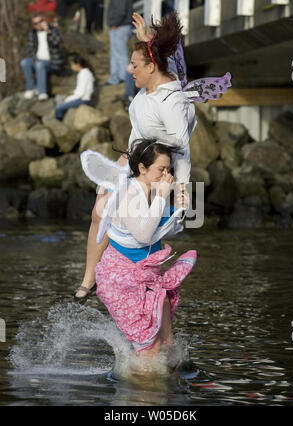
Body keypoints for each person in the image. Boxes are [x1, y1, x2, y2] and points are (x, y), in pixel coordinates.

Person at [74, 11, 231, 302]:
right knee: (100, 214)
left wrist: (144, 164)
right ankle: (91, 277)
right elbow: (165, 58)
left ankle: (148, 296)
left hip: (156, 171)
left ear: (150, 67)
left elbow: (179, 142)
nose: (129, 70)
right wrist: (148, 37)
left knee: (137, 234)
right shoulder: (153, 84)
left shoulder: (172, 99)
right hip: (135, 164)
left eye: (135, 65)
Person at [80, 140, 197, 355]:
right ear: (142, 169)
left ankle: (166, 380)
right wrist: (162, 196)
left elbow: (166, 231)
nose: (167, 175)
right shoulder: (128, 194)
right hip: (124, 280)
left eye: (169, 170)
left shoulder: (153, 189)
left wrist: (180, 209)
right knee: (150, 348)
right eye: (161, 170)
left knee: (167, 342)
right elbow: (143, 236)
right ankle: (142, 382)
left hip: (150, 276)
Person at [21, 13, 64, 100]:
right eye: (35, 23)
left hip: (52, 62)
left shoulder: (53, 30)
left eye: (40, 21)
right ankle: (31, 88)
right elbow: (29, 50)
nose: (38, 24)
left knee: (40, 65)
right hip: (37, 60)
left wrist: (48, 31)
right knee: (24, 62)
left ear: (44, 20)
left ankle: (42, 92)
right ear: (33, 25)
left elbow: (57, 42)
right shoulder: (32, 34)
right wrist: (35, 59)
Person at [55, 54, 95, 120]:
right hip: (79, 98)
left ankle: (60, 121)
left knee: (58, 108)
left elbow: (81, 93)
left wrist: (68, 100)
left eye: (72, 64)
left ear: (77, 64)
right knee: (58, 98)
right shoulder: (83, 73)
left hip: (82, 100)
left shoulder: (85, 74)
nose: (71, 67)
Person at [105, 0, 133, 86]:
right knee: (114, 54)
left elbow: (121, 12)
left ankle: (123, 78)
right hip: (118, 26)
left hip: (120, 26)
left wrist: (114, 24)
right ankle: (115, 78)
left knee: (120, 54)